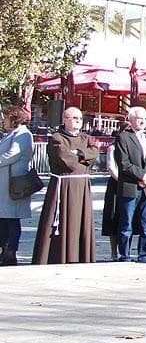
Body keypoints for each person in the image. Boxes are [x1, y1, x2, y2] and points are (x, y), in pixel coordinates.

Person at [32, 107, 99, 264]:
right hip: (63, 186)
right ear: (64, 119)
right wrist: (83, 158)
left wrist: (79, 154)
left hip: (82, 186)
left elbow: (94, 153)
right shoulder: (57, 138)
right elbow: (65, 160)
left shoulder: (86, 138)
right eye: (74, 118)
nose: (78, 121)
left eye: (80, 118)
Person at [112, 106, 146, 262]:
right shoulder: (123, 137)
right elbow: (123, 163)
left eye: (145, 118)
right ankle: (124, 254)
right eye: (139, 118)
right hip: (130, 186)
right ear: (131, 120)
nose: (142, 121)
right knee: (126, 223)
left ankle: (143, 254)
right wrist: (141, 176)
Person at [0, 105, 36, 265]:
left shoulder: (23, 134)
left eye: (5, 117)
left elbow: (11, 155)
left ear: (13, 118)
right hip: (5, 183)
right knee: (4, 219)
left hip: (14, 185)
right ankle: (5, 250)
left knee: (12, 219)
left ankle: (10, 253)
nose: (3, 121)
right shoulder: (11, 134)